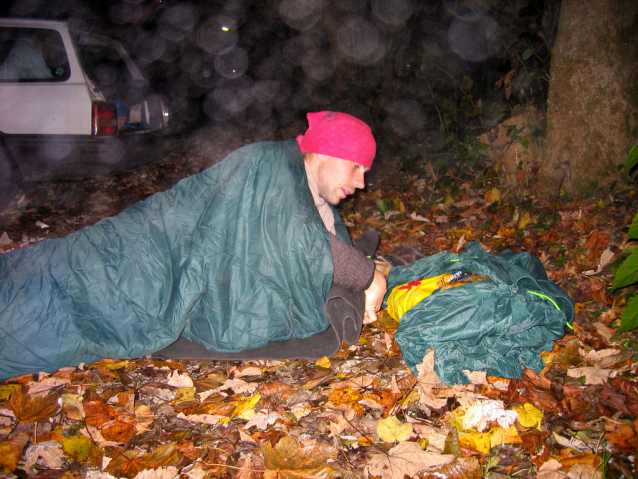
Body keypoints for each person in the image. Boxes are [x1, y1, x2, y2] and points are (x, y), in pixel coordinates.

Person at [0, 111, 386, 380]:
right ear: (322, 151)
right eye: (356, 166)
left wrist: (362, 276)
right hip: (134, 259)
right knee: (52, 295)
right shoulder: (270, 165)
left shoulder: (311, 196)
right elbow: (297, 237)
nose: (362, 183)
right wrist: (369, 278)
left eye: (366, 172)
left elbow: (311, 243)